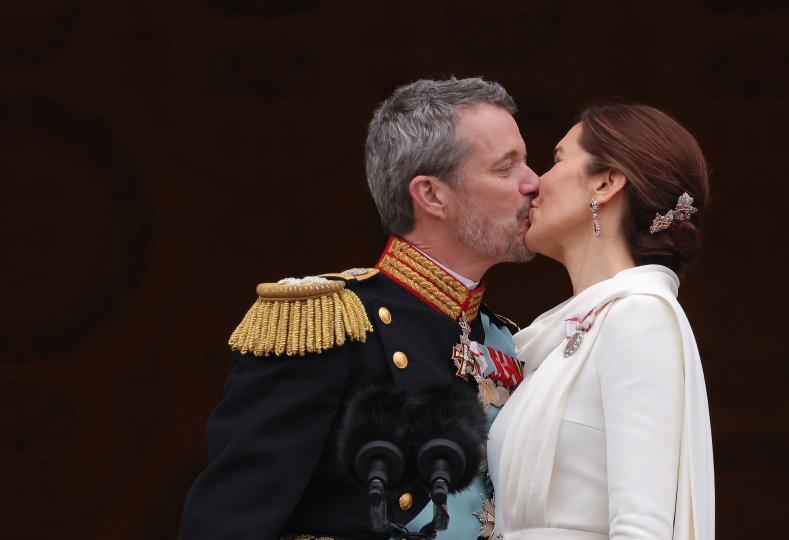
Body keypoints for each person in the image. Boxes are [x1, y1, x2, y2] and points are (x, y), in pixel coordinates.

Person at [180, 77, 540, 540]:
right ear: (432, 195)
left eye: (526, 162)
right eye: (506, 167)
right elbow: (228, 523)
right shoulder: (326, 323)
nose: (533, 182)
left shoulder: (503, 338)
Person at [486, 104, 715, 540]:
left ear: (606, 183)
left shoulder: (639, 317)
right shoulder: (564, 336)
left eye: (556, 161)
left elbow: (641, 530)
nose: (534, 183)